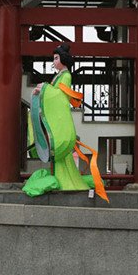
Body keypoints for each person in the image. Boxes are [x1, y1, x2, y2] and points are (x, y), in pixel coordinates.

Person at [23, 44, 108, 201]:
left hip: (61, 119)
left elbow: (60, 97)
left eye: (56, 58)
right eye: (54, 59)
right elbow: (55, 93)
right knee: (60, 158)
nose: (54, 61)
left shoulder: (66, 76)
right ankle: (62, 178)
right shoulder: (60, 75)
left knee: (62, 154)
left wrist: (44, 88)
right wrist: (43, 89)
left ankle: (65, 180)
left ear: (63, 59)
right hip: (59, 118)